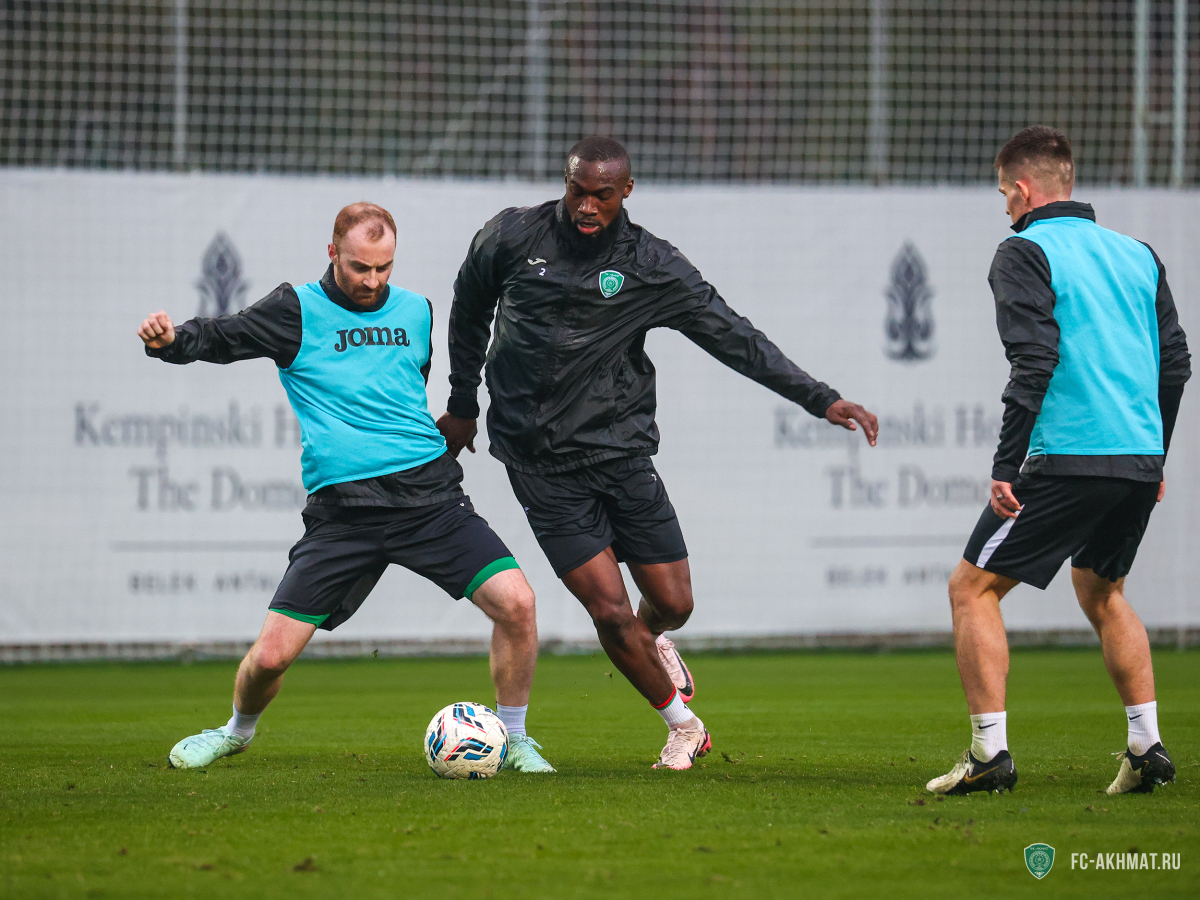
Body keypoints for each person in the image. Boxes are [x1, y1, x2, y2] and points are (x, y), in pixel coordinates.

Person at [437, 137, 879, 769]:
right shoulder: (510, 236)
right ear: (566, 182)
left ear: (626, 191)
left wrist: (820, 398)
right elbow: (467, 311)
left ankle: (651, 641)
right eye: (577, 191)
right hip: (538, 463)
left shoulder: (651, 264)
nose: (587, 206)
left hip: (619, 452)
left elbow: (735, 337)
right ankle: (683, 726)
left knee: (673, 605)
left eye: (602, 195)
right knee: (609, 610)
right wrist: (462, 402)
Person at [138, 202, 555, 773]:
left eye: (384, 267)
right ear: (332, 253)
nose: (373, 280)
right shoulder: (296, 309)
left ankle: (516, 738)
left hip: (430, 499)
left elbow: (407, 389)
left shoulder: (416, 310)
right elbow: (220, 336)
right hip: (344, 514)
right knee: (270, 659)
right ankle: (235, 731)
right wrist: (170, 341)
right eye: (360, 267)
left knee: (518, 604)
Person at [926, 126, 1189, 796]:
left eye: (1003, 195)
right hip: (1136, 459)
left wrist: (1006, 465)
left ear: (1022, 189)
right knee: (1103, 591)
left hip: (1068, 456)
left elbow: (1034, 358)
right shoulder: (1138, 254)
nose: (1005, 207)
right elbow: (1176, 364)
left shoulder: (1023, 250)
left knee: (971, 588)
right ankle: (1146, 745)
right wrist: (1154, 455)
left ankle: (989, 755)